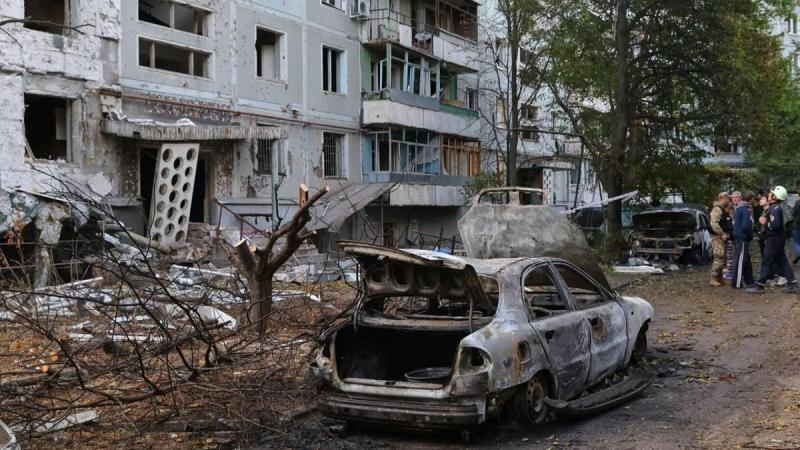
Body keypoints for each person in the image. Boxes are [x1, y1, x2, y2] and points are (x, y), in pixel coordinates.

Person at [747, 186, 798, 293]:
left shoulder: (775, 209)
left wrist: (764, 222)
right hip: (778, 238)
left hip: (774, 239)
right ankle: (792, 283)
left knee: (767, 260)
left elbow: (776, 225)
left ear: (775, 197)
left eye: (771, 193)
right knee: (782, 260)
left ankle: (760, 285)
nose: (769, 194)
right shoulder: (775, 207)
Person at [731, 191, 754, 288]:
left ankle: (749, 280)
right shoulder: (745, 209)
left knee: (746, 259)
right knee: (740, 260)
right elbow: (745, 225)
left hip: (738, 237)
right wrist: (750, 235)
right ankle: (736, 283)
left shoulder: (738, 208)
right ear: (751, 199)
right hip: (742, 238)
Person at [709, 192, 732, 287]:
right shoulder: (717, 209)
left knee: (722, 258)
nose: (729, 200)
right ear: (723, 198)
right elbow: (714, 224)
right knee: (719, 256)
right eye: (728, 198)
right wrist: (721, 233)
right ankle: (713, 278)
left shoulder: (722, 209)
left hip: (722, 237)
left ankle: (719, 278)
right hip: (717, 237)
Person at [792, 196, 800, 264]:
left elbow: (793, 213)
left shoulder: (798, 203)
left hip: (797, 226)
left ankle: (799, 254)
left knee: (796, 242)